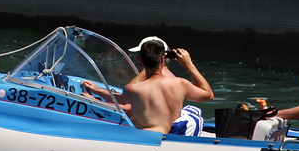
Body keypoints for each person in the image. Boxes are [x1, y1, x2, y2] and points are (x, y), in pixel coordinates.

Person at [81, 38, 213, 135]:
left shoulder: (134, 88)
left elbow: (127, 100)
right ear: (163, 59)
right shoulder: (181, 83)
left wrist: (97, 100)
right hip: (168, 135)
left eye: (139, 56)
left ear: (142, 60)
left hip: (146, 137)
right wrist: (188, 64)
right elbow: (208, 95)